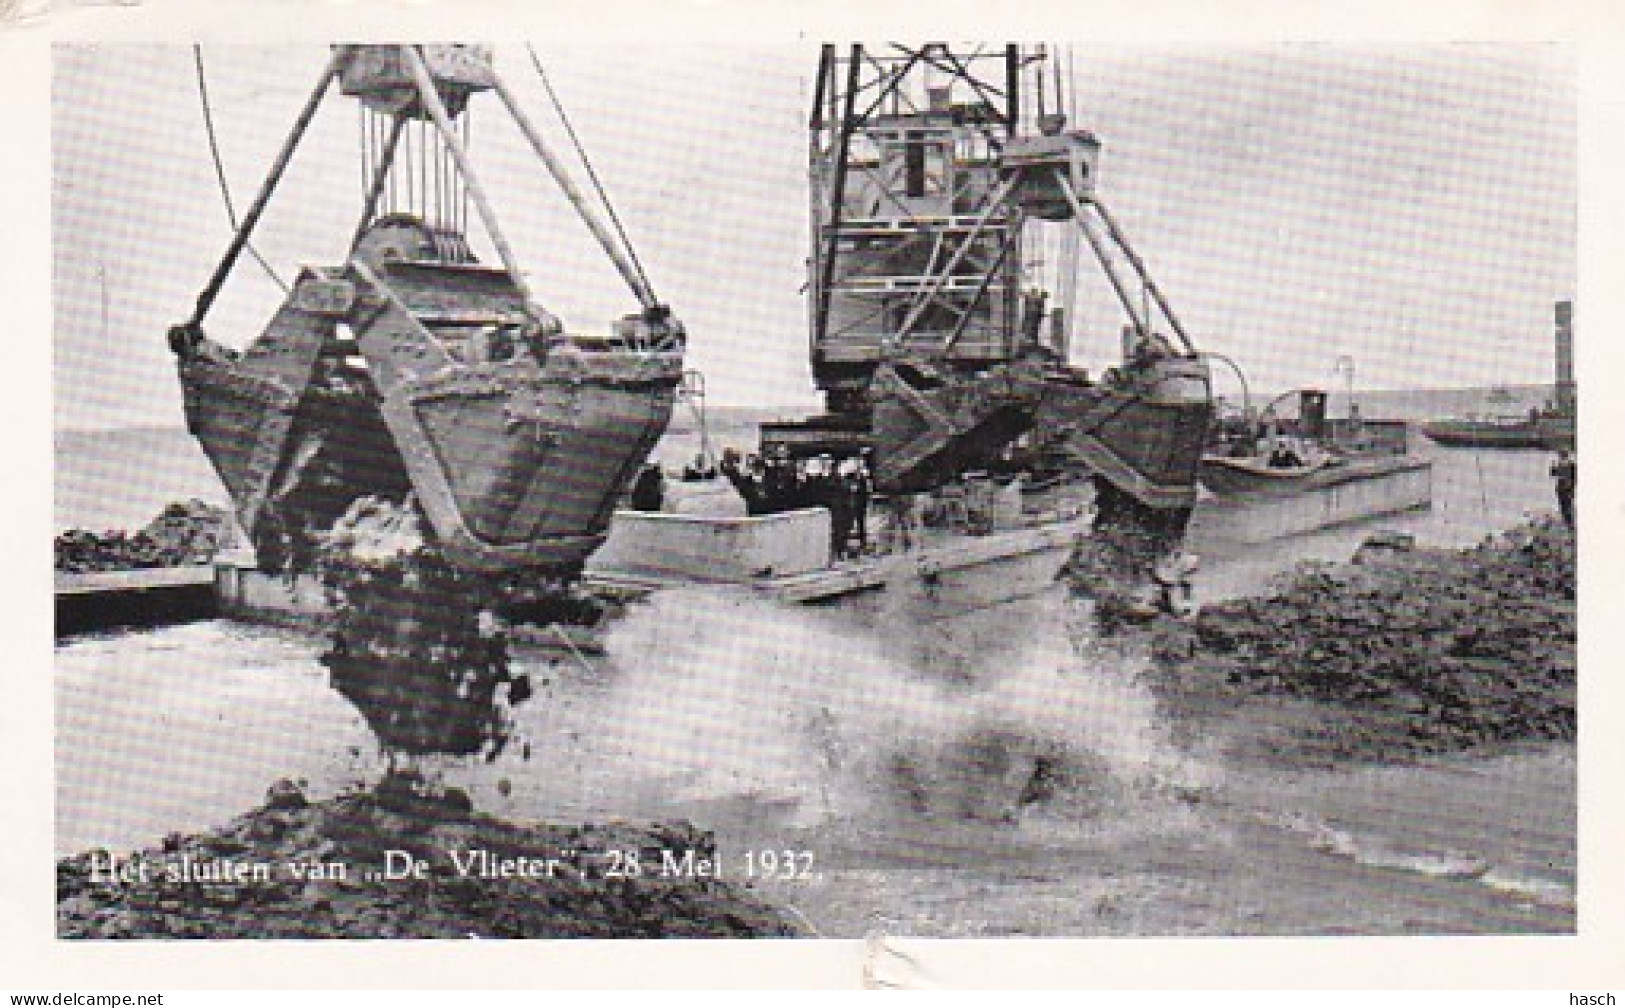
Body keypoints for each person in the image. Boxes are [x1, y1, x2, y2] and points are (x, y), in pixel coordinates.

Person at [1551, 449, 1576, 528]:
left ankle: (1571, 524)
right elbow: (1553, 474)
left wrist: (1572, 487)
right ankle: (1567, 523)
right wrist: (1553, 466)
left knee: (1568, 506)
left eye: (1561, 455)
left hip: (1568, 489)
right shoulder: (1559, 464)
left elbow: (1575, 478)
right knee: (1563, 507)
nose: (1560, 457)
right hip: (1561, 489)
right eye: (1560, 456)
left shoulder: (1572, 465)